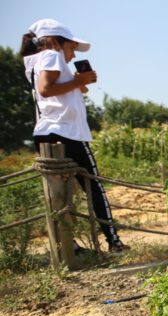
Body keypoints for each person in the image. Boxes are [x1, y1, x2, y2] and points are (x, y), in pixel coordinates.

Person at [20, 18, 126, 253]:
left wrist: (80, 82)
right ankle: (114, 241)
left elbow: (60, 89)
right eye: (71, 48)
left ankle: (68, 246)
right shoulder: (52, 55)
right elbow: (46, 89)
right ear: (56, 41)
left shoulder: (33, 61)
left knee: (59, 192)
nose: (72, 54)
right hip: (67, 132)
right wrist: (78, 80)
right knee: (93, 186)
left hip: (45, 132)